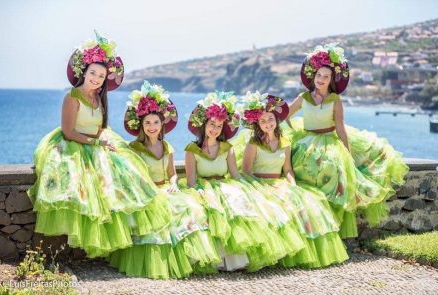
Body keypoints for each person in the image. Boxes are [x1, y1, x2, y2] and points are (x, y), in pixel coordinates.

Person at [27, 32, 170, 258]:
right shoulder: (72, 97)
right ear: (84, 72)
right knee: (89, 188)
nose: (96, 78)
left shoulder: (100, 97)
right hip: (76, 144)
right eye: (93, 73)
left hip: (97, 141)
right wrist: (96, 142)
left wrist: (106, 139)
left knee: (127, 172)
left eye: (101, 76)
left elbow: (102, 125)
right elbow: (68, 131)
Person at [283, 43, 409, 238]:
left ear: (331, 80)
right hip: (306, 140)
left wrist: (347, 153)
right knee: (307, 172)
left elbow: (340, 127)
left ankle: (331, 221)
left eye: (326, 77)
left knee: (332, 172)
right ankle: (313, 217)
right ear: (313, 77)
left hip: (328, 140)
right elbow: (285, 115)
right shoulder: (303, 97)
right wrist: (291, 132)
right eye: (318, 76)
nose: (321, 79)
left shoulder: (335, 100)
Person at [108, 81, 220, 279]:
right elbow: (132, 172)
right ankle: (160, 263)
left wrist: (175, 184)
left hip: (166, 187)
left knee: (189, 207)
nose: (152, 127)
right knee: (162, 212)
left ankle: (187, 259)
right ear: (141, 125)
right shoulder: (135, 148)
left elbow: (172, 174)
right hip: (147, 191)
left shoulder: (166, 146)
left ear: (162, 125)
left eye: (156, 123)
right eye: (148, 123)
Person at [184, 92, 302, 272]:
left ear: (223, 127)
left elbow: (236, 175)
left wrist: (250, 188)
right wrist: (199, 192)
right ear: (204, 125)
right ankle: (214, 259)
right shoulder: (192, 150)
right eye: (211, 124)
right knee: (209, 211)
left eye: (219, 125)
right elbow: (191, 180)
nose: (214, 129)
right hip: (202, 187)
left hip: (224, 185)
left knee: (237, 205)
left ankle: (236, 258)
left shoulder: (227, 149)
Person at [239, 91, 348, 268]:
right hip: (258, 183)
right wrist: (259, 186)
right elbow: (246, 171)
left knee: (306, 204)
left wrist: (293, 185)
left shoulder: (285, 142)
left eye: (270, 119)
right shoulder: (253, 144)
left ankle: (299, 251)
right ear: (258, 124)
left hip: (279, 183)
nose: (268, 124)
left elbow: (288, 169)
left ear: (276, 120)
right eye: (263, 121)